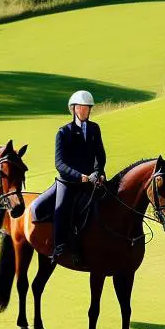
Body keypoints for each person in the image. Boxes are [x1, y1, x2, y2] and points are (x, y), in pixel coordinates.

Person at [48, 90, 106, 264]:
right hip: (69, 182)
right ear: (74, 109)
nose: (86, 110)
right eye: (82, 107)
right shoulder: (63, 132)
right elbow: (59, 163)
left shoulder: (95, 128)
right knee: (62, 209)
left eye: (88, 108)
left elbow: (100, 155)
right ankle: (60, 247)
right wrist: (78, 176)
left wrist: (99, 171)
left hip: (91, 179)